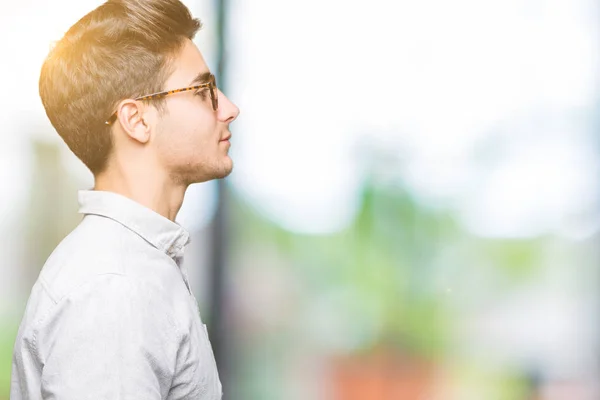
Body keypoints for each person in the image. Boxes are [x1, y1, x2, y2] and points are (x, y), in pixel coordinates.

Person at [10, 0, 239, 398]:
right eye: (204, 90)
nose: (230, 109)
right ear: (137, 120)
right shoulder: (114, 286)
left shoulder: (131, 267)